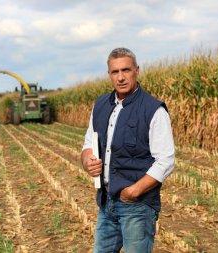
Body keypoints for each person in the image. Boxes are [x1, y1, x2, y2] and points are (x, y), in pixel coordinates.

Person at [81, 47, 175, 253]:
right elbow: (89, 142)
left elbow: (166, 161)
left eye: (126, 70)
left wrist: (134, 191)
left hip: (137, 207)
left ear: (137, 70)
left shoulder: (153, 110)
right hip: (106, 203)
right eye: (115, 72)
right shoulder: (100, 105)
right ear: (109, 74)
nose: (121, 77)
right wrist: (88, 159)